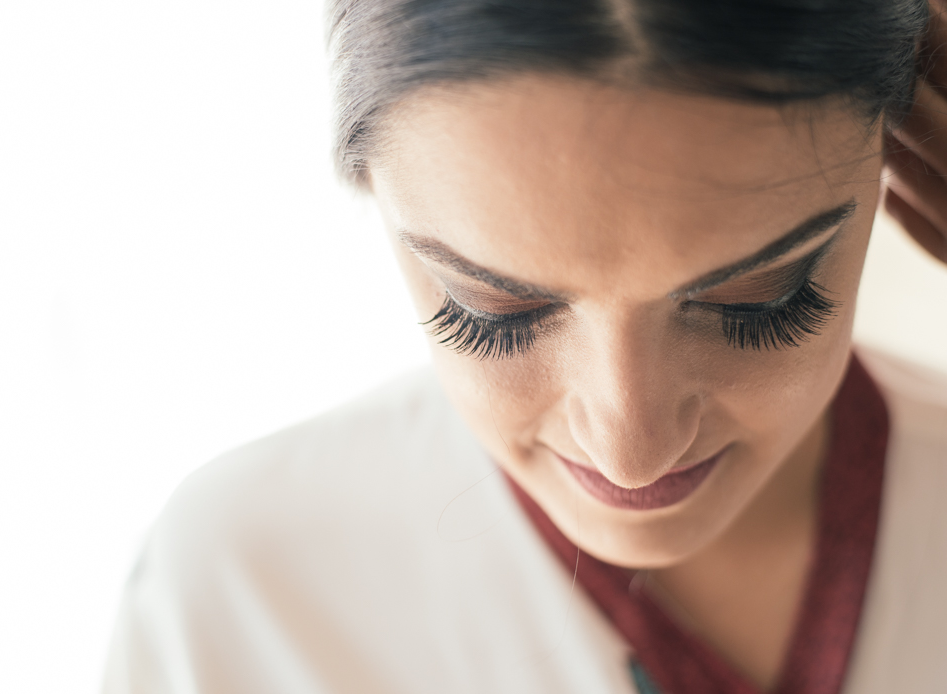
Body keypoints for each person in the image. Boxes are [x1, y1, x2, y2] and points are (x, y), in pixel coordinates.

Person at [103, 0, 947, 692]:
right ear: (377, 192)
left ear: (901, 149)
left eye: (758, 302)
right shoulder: (243, 589)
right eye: (491, 312)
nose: (631, 449)